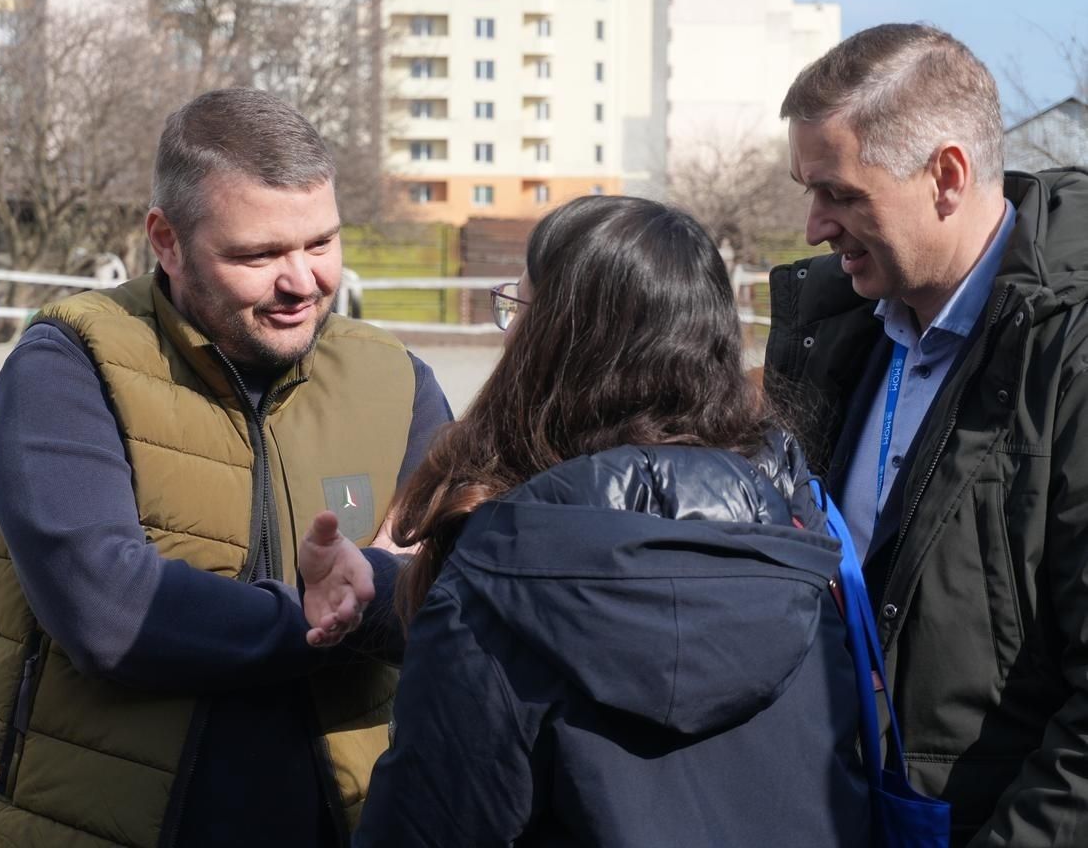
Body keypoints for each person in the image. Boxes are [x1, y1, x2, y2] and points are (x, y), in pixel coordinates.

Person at [0, 88, 452, 848]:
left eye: (320, 243)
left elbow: (456, 599)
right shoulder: (70, 362)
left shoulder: (398, 382)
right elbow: (111, 612)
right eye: (258, 255)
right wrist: (322, 615)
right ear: (166, 239)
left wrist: (376, 586)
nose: (301, 281)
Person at [355, 196, 869, 847]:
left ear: (555, 350)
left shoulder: (498, 589)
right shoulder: (801, 554)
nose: (508, 337)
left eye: (520, 313)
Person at [767, 23, 1088, 844]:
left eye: (840, 193)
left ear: (946, 175)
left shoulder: (1069, 355)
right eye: (810, 191)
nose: (814, 227)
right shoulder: (833, 334)